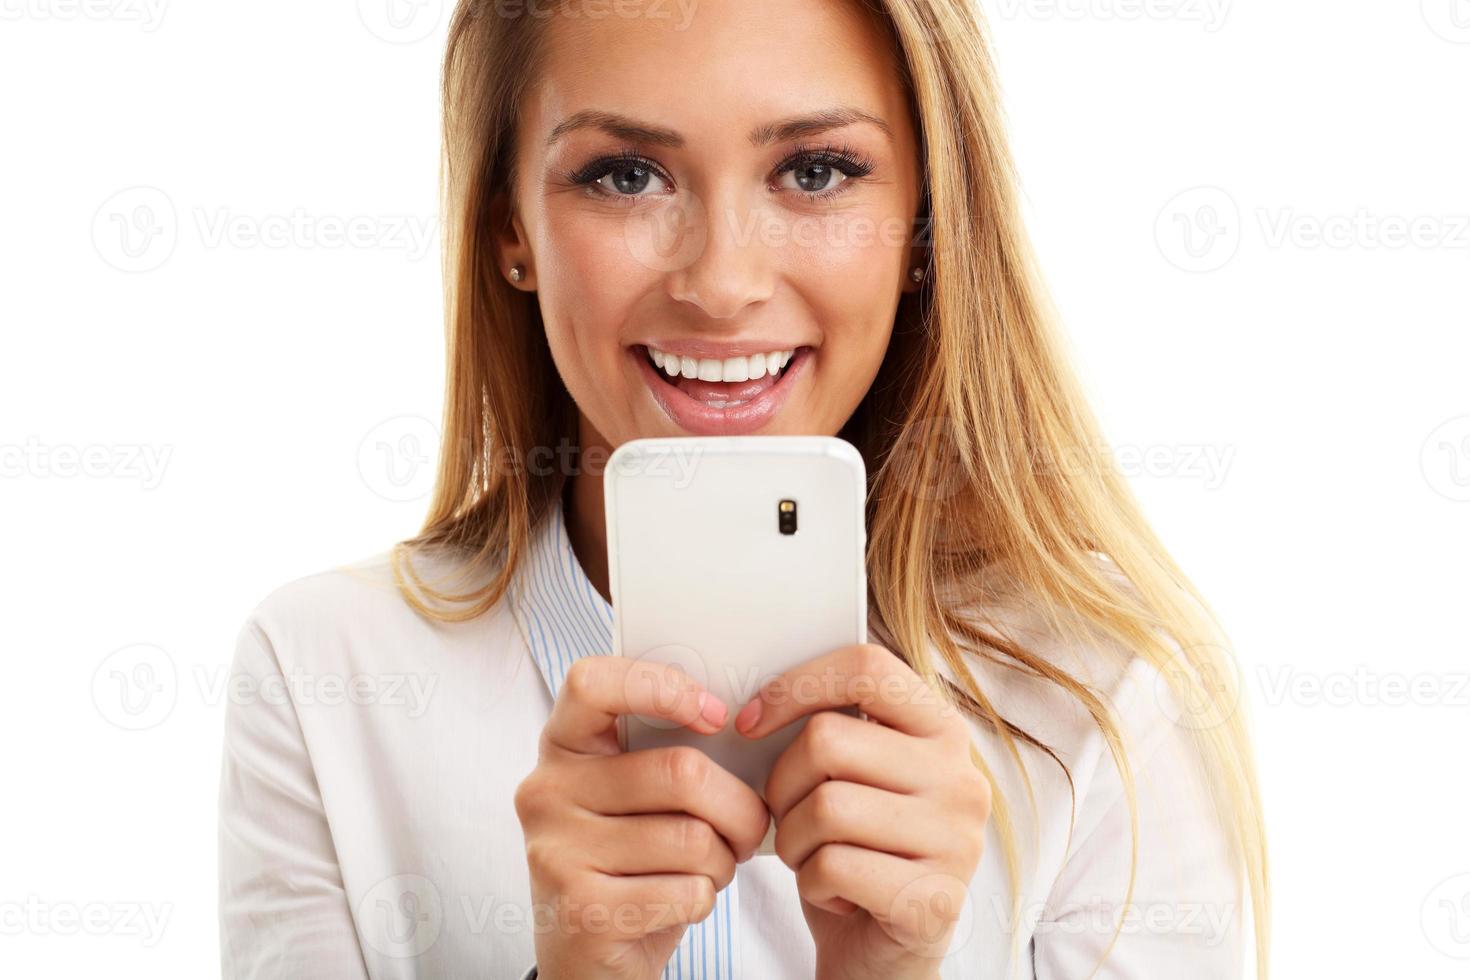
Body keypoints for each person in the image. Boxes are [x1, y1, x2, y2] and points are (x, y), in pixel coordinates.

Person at [218, 1, 1268, 977]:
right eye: (625, 174)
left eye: (815, 170)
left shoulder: (1105, 694)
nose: (722, 283)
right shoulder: (323, 674)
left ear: (924, 224)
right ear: (511, 229)